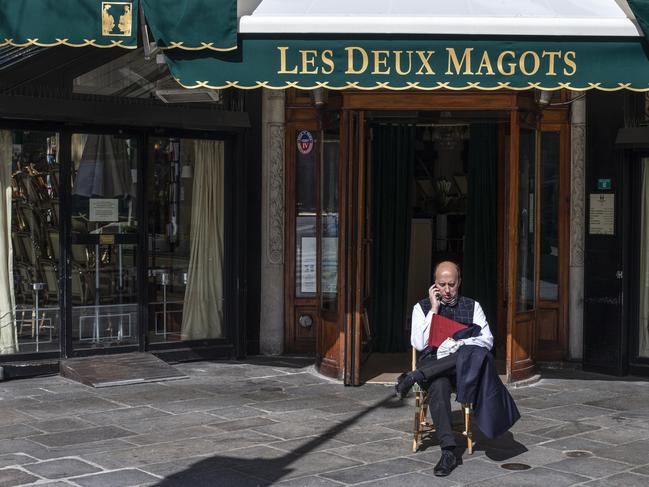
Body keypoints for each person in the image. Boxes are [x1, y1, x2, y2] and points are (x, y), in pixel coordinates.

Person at [395, 261, 516, 477]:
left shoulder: (473, 306)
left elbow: (487, 340)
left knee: (468, 352)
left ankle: (414, 376)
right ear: (434, 284)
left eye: (451, 284)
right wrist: (434, 309)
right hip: (434, 367)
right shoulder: (421, 308)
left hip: (463, 371)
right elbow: (419, 344)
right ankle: (448, 451)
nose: (447, 290)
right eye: (442, 285)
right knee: (438, 385)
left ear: (459, 282)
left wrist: (458, 343)